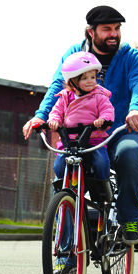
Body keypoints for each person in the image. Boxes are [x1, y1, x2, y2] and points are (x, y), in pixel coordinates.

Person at [23, 6, 138, 252]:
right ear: (91, 32)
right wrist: (41, 116)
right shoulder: (73, 55)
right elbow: (56, 89)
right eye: (107, 29)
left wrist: (136, 108)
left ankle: (128, 217)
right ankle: (64, 252)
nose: (113, 34)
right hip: (79, 136)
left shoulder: (132, 57)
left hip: (118, 131)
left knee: (129, 154)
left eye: (117, 29)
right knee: (62, 174)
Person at [47, 51, 114, 181]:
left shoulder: (99, 96)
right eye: (84, 78)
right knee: (59, 166)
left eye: (93, 77)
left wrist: (103, 119)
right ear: (72, 82)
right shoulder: (65, 97)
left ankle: (102, 187)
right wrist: (54, 121)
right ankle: (62, 193)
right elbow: (56, 111)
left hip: (94, 139)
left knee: (101, 162)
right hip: (69, 141)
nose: (90, 81)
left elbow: (107, 110)